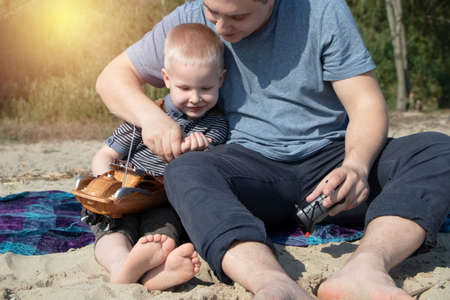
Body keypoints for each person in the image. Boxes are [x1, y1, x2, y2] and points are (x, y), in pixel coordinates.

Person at [95, 0, 450, 299]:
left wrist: (356, 165)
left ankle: (366, 269)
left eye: (237, 17)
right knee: (186, 170)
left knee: (435, 149)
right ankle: (272, 283)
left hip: (333, 170)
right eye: (212, 12)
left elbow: (367, 105)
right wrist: (150, 119)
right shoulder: (191, 16)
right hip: (248, 168)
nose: (220, 26)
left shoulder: (324, 10)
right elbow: (112, 78)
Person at [87, 23, 228, 291]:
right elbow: (105, 154)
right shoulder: (147, 114)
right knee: (112, 227)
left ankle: (153, 268)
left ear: (220, 80)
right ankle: (121, 265)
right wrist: (105, 184)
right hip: (124, 193)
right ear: (166, 78)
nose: (195, 98)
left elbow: (213, 171)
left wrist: (199, 154)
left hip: (164, 199)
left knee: (164, 230)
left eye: (206, 88)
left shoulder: (215, 126)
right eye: (185, 88)